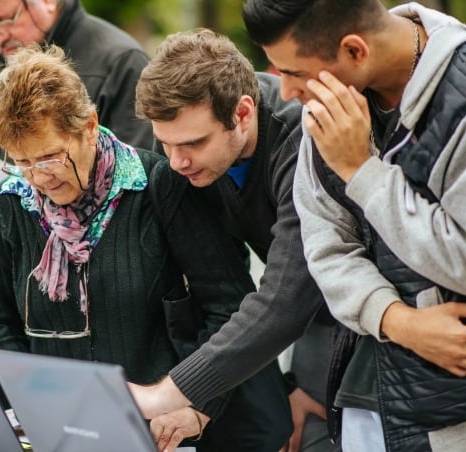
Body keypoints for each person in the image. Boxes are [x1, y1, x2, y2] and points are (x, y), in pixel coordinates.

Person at [0, 44, 292, 451]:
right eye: (22, 162)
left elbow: (227, 303)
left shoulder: (161, 185)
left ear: (89, 125)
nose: (40, 179)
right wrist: (32, 400)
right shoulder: (7, 206)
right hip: (62, 434)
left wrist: (194, 404)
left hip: (163, 433)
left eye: (50, 157)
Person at [241, 0, 466, 450]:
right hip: (364, 400)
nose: (285, 92)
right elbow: (326, 248)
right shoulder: (324, 107)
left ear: (354, 50)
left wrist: (362, 172)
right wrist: (398, 321)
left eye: (296, 73)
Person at [132, 29, 336, 452]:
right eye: (165, 143)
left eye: (193, 143)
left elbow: (287, 296)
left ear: (243, 113)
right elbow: (221, 287)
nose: (177, 161)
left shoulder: (304, 138)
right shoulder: (179, 147)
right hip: (302, 317)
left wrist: (172, 392)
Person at [0, 0, 155, 355]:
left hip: (110, 317)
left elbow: (132, 186)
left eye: (5, 20)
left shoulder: (119, 61)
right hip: (3, 295)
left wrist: (19, 221)